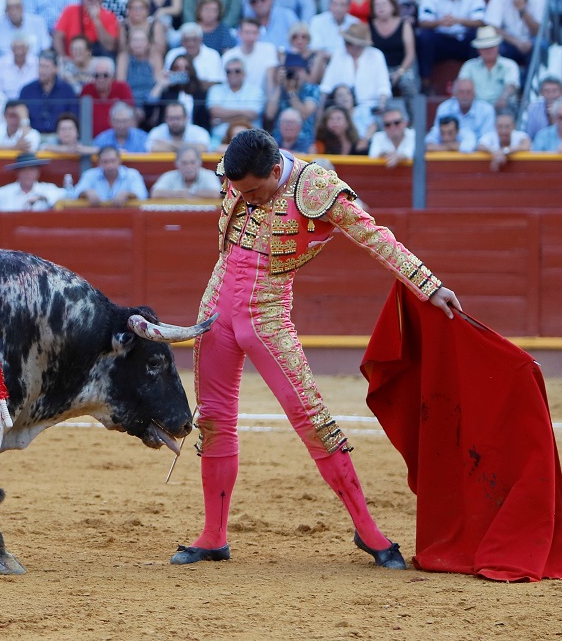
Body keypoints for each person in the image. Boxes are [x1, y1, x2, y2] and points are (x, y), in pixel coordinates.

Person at [170, 128, 461, 568]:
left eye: (253, 191)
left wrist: (427, 284)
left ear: (273, 170)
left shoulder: (315, 188)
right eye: (238, 191)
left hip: (267, 316)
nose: (246, 199)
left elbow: (373, 235)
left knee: (314, 420)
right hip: (215, 313)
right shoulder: (237, 172)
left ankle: (369, 532)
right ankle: (214, 535)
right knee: (212, 421)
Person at [415, 0, 486, 91]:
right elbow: (423, 21)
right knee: (424, 37)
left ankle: (474, 85)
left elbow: (480, 21)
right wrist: (440, 22)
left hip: (464, 40)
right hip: (440, 40)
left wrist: (458, 20)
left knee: (477, 36)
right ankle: (425, 84)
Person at [19, 49, 78, 138]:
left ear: (56, 68)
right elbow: (20, 112)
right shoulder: (27, 90)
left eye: (46, 67)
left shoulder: (67, 90)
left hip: (60, 137)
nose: (42, 70)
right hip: (33, 136)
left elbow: (74, 116)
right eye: (40, 66)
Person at [458, 26, 520, 110]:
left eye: (491, 46)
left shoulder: (509, 65)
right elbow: (462, 85)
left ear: (497, 46)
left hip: (502, 109)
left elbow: (512, 85)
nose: (488, 50)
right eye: (484, 47)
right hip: (476, 109)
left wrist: (504, 97)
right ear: (478, 49)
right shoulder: (469, 66)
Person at [52, 0, 119, 59]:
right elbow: (57, 37)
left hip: (97, 61)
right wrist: (63, 58)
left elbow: (110, 46)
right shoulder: (70, 10)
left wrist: (97, 21)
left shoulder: (109, 15)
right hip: (72, 59)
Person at [0, 151, 64, 211]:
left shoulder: (47, 189)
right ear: (17, 172)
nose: (28, 173)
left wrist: (43, 197)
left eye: (31, 169)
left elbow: (68, 194)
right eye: (23, 170)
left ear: (38, 172)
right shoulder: (1, 194)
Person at [73, 145, 148, 205]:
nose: (110, 166)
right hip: (96, 218)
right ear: (98, 163)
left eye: (113, 161)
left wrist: (128, 194)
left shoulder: (132, 174)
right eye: (105, 162)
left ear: (119, 161)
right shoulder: (89, 175)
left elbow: (142, 195)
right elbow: (75, 194)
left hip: (126, 218)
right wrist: (86, 192)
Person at [432, 77, 496, 141]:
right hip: (448, 150)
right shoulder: (444, 108)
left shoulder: (486, 110)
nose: (465, 95)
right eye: (461, 92)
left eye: (468, 92)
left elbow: (488, 138)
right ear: (455, 94)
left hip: (479, 150)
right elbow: (436, 136)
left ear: (474, 94)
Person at [150, 143, 220, 198]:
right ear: (177, 164)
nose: (189, 167)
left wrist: (190, 192)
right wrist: (178, 194)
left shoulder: (209, 175)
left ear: (199, 163)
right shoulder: (169, 176)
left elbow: (216, 194)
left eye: (192, 162)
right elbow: (155, 193)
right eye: (184, 163)